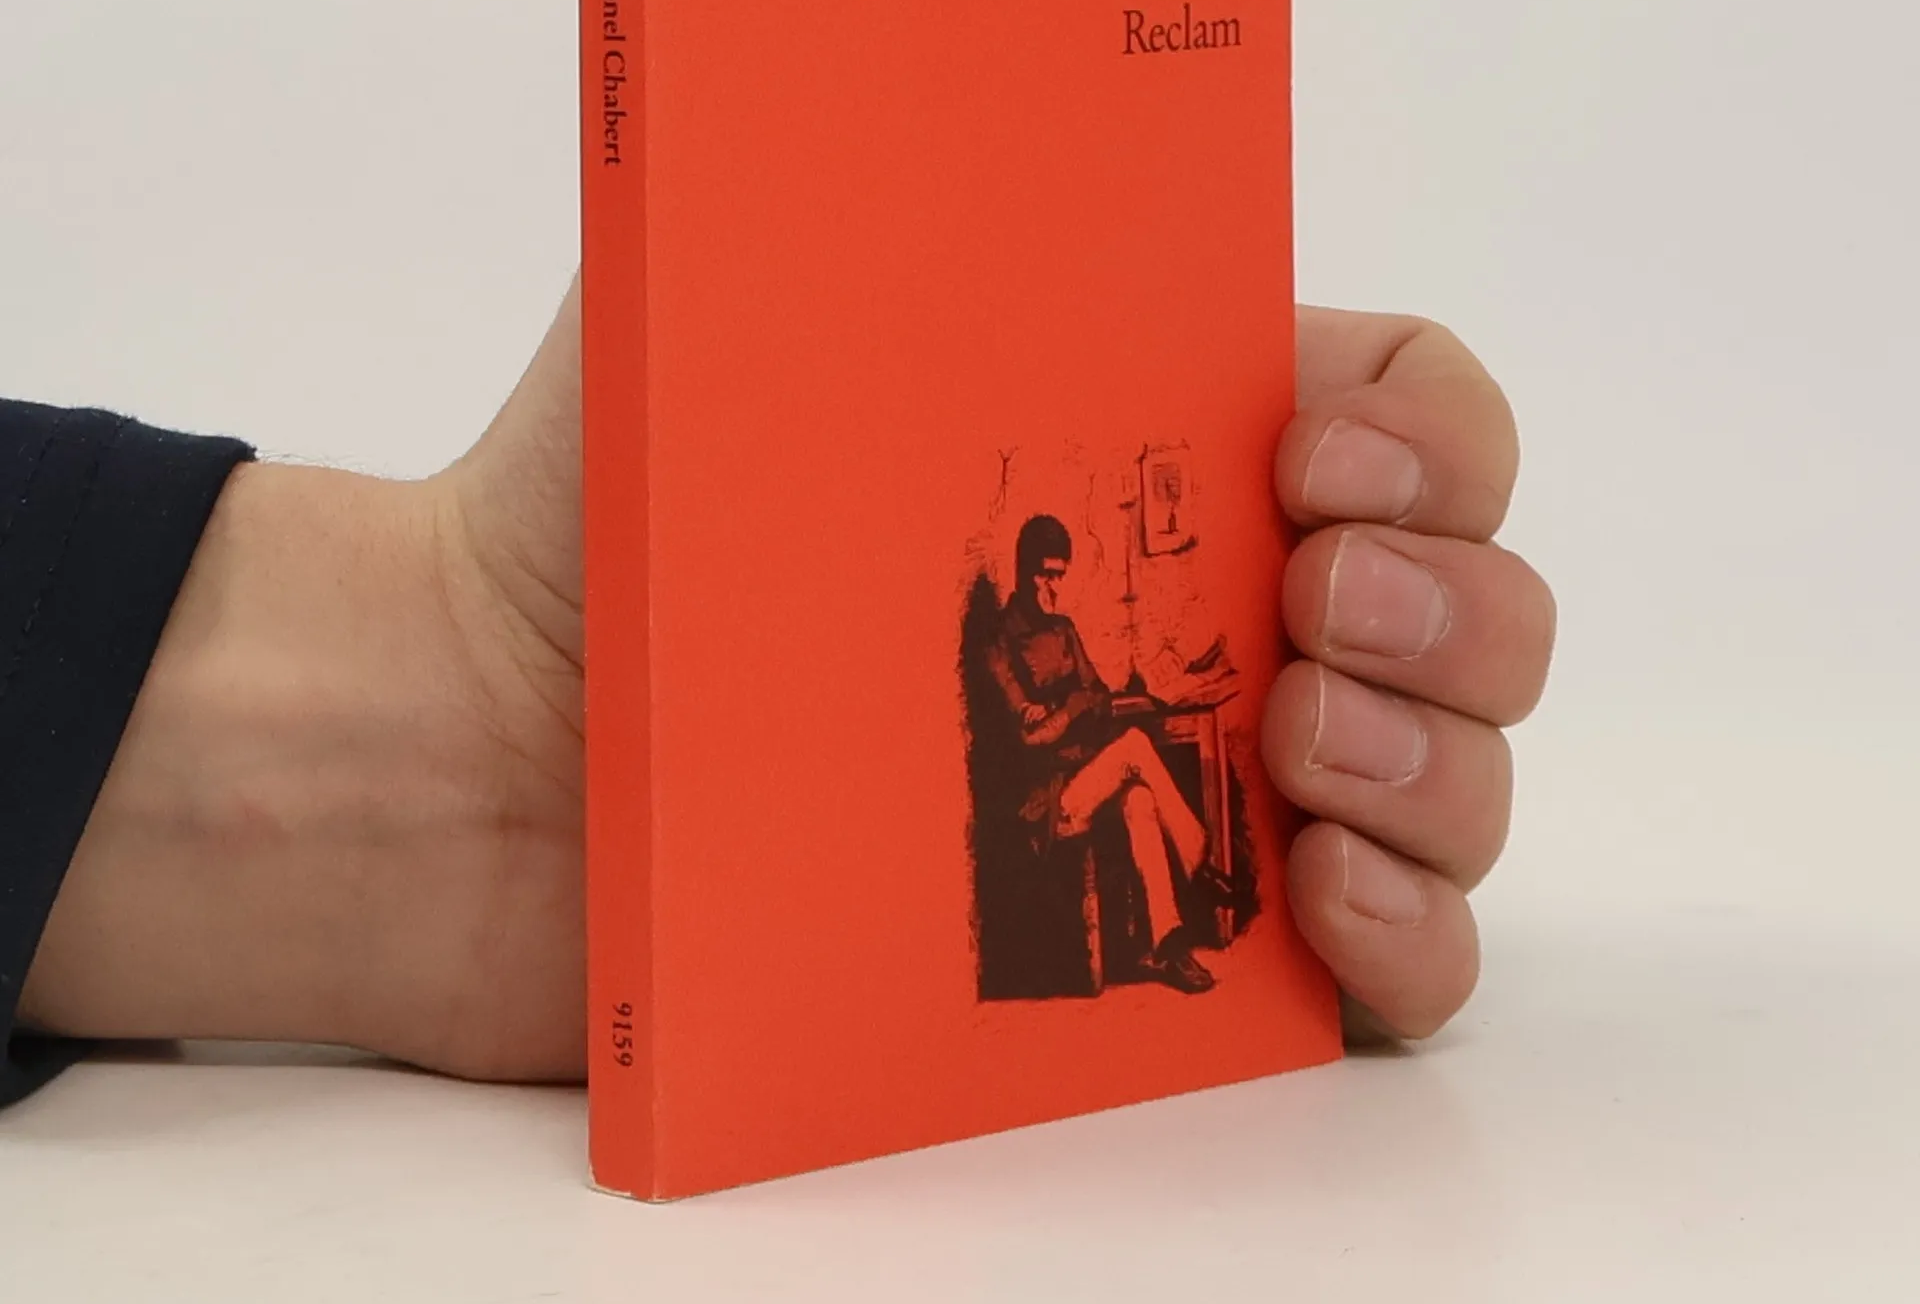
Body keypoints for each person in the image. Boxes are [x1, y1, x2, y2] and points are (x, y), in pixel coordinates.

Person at [0, 282, 1555, 1106]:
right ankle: (1169, 937)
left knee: (1162, 748)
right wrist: (470, 665)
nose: (1062, 580)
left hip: (1036, 769)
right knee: (1145, 766)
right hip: (1030, 792)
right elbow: (1031, 725)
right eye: (1054, 562)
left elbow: (1094, 690)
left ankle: (1179, 935)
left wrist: (457, 675)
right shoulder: (1008, 633)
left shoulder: (1058, 627)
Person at [984, 512, 1226, 994]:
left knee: (1141, 801)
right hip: (1049, 799)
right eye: (1045, 574)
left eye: (1059, 575)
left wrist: (1063, 711)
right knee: (1134, 745)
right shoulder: (1000, 642)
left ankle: (1169, 944)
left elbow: (1101, 700)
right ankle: (1198, 854)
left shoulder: (1065, 629)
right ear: (1024, 571)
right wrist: (1074, 706)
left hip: (1086, 777)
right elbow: (1029, 738)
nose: (1053, 586)